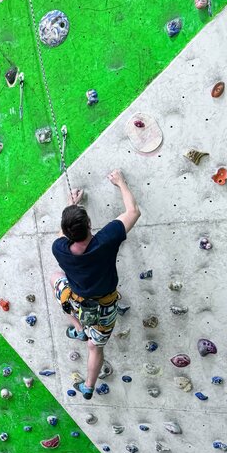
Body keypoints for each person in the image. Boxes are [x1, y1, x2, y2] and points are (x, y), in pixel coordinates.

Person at [52, 170, 140, 399]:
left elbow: (62, 234)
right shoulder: (106, 240)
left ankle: (79, 329)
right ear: (90, 224)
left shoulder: (59, 248)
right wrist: (121, 182)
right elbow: (133, 211)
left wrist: (71, 206)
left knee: (55, 278)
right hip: (105, 308)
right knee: (95, 347)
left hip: (76, 302)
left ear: (67, 233)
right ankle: (89, 387)